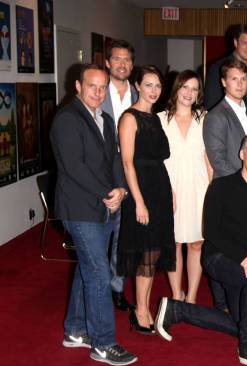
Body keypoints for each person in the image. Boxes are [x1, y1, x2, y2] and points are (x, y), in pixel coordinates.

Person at [155, 133, 247, 366]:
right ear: (242, 154)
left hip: (241, 263)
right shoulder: (222, 186)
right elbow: (211, 232)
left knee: (239, 321)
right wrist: (244, 258)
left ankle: (178, 310)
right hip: (217, 257)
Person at [52, 63, 136, 366]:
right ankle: (103, 343)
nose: (98, 92)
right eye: (92, 86)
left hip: (105, 204)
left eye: (103, 87)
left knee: (89, 267)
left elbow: (114, 159)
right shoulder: (67, 119)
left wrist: (121, 189)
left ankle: (75, 330)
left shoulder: (105, 118)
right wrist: (107, 193)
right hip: (80, 209)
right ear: (78, 86)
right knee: (99, 272)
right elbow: (74, 167)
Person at [117, 65, 175, 335]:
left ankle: (145, 305)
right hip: (141, 190)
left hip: (160, 188)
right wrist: (139, 202)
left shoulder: (155, 118)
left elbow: (161, 160)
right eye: (148, 84)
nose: (153, 90)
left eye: (158, 86)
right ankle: (140, 309)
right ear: (137, 85)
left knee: (155, 251)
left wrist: (170, 191)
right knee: (146, 253)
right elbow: (128, 164)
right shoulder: (129, 118)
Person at [204, 59, 247, 312]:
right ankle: (222, 303)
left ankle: (237, 297)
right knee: (225, 248)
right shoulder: (216, 115)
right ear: (223, 82)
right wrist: (244, 184)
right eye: (234, 79)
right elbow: (218, 159)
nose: (239, 84)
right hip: (228, 191)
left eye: (243, 79)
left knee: (244, 243)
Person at [160, 70, 213, 304]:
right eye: (185, 87)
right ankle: (176, 294)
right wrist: (162, 190)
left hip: (199, 187)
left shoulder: (205, 118)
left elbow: (209, 158)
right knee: (173, 243)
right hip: (170, 188)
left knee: (195, 243)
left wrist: (213, 191)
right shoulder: (160, 119)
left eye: (194, 88)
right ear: (176, 89)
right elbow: (155, 161)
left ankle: (191, 296)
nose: (189, 93)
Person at [101, 39, 138, 311]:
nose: (122, 64)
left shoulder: (140, 94)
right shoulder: (98, 93)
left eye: (127, 60)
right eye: (117, 59)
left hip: (131, 174)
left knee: (124, 238)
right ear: (107, 62)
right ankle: (97, 285)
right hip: (102, 175)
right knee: (100, 235)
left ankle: (116, 286)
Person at [203, 23, 247, 112]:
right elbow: (211, 104)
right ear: (235, 43)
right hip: (228, 124)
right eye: (245, 43)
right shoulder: (217, 69)